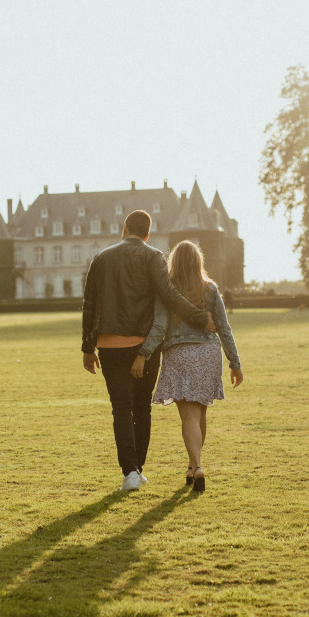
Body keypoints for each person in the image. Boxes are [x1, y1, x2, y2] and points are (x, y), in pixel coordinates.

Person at [82, 210, 214, 493]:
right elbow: (170, 297)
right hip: (143, 347)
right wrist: (201, 317)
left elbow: (89, 303)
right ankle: (137, 468)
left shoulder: (101, 258)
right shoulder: (153, 256)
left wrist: (87, 347)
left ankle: (130, 472)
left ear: (124, 228)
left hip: (108, 345)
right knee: (141, 409)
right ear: (148, 234)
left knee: (120, 409)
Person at [133, 240, 242, 493]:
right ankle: (193, 467)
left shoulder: (167, 289)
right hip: (208, 352)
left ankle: (199, 466)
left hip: (180, 354)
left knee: (189, 416)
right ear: (198, 262)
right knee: (200, 414)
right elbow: (224, 329)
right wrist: (235, 363)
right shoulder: (210, 289)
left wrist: (144, 353)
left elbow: (159, 327)